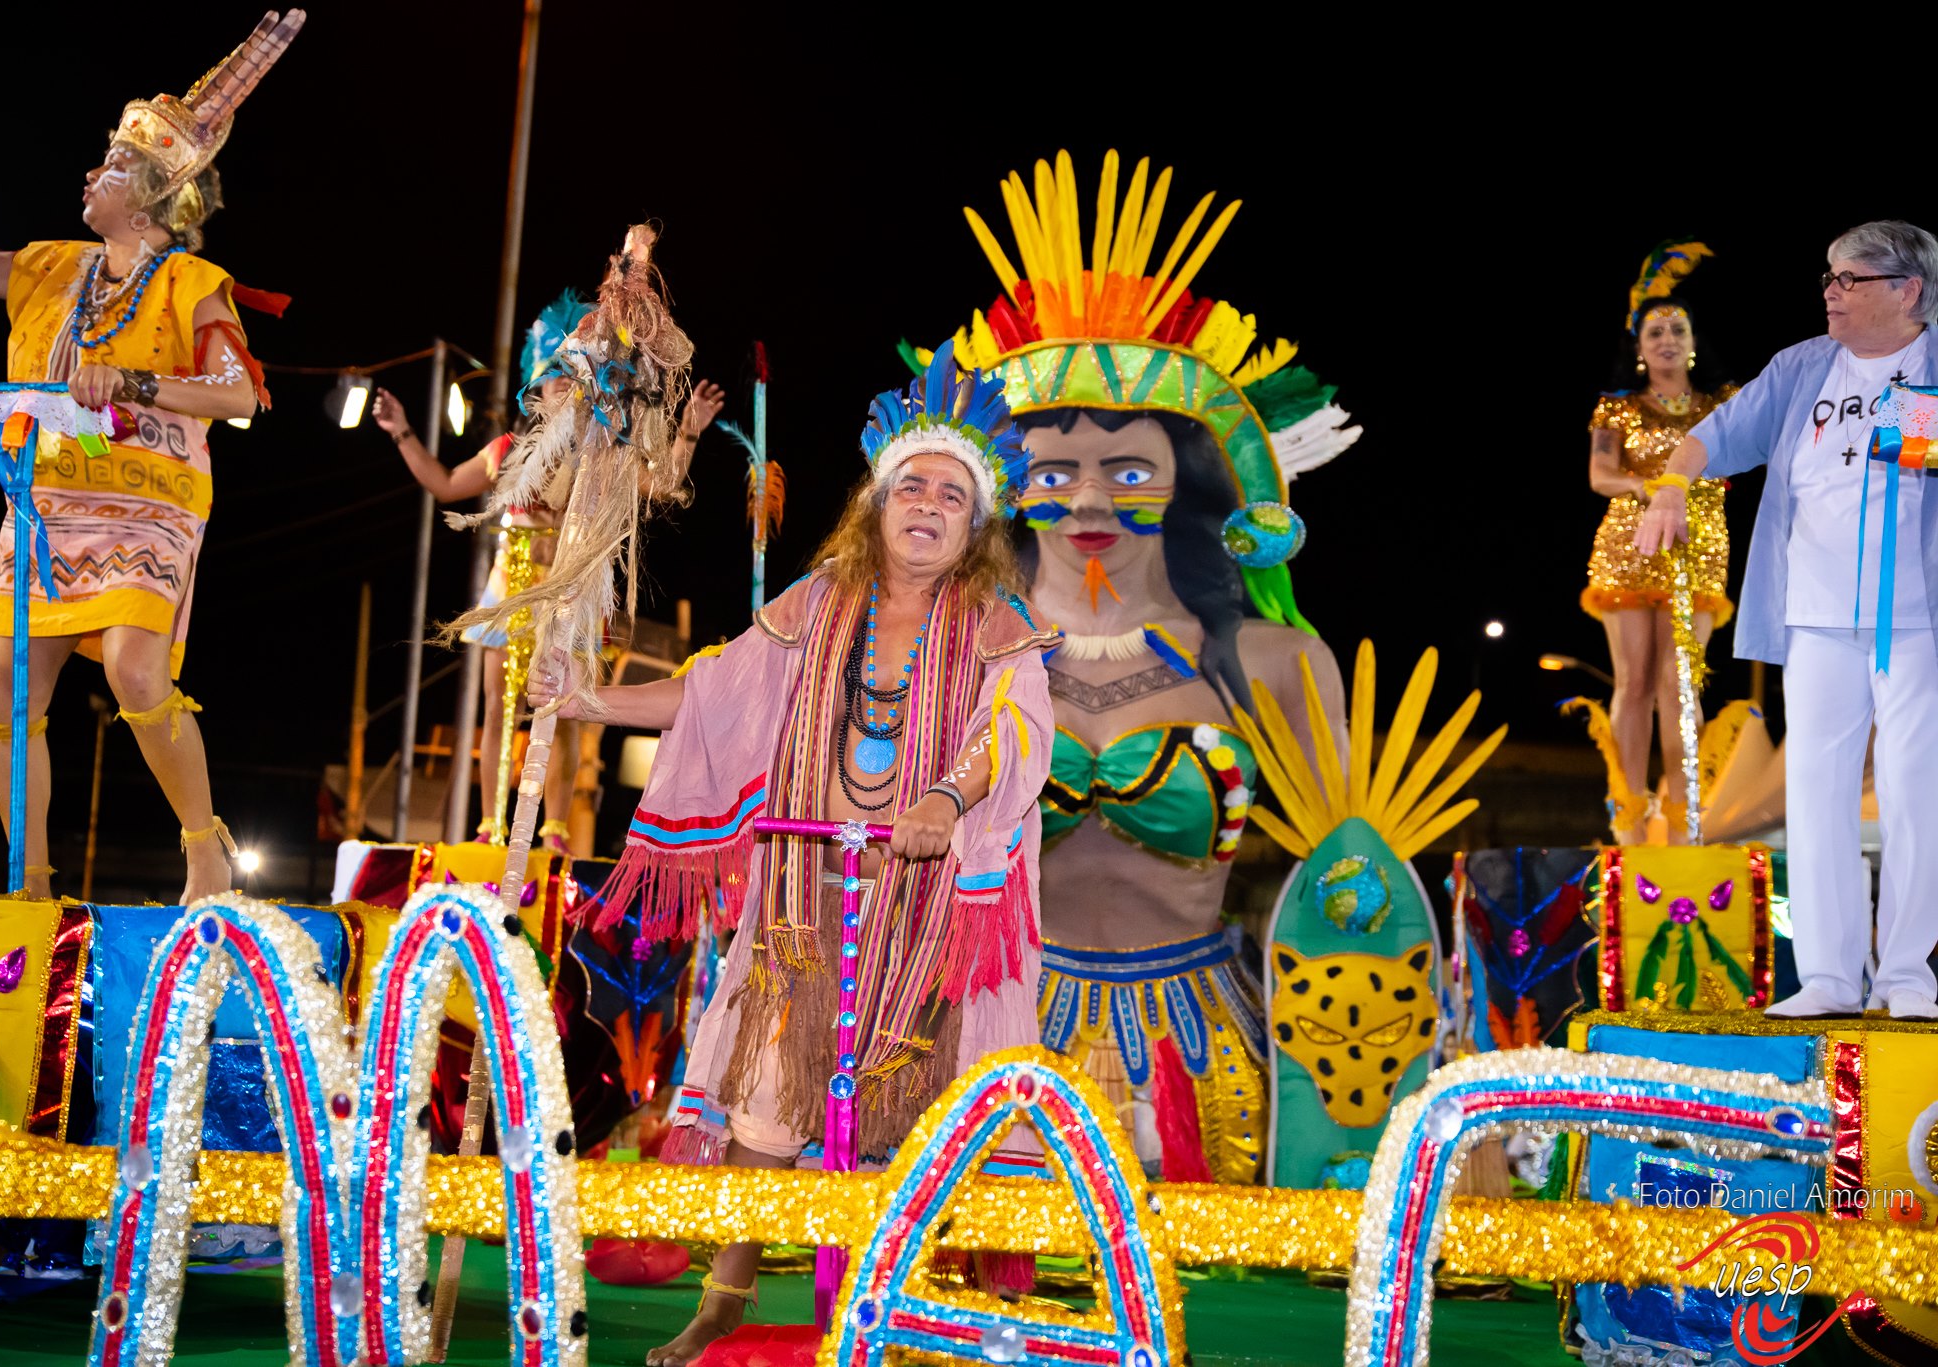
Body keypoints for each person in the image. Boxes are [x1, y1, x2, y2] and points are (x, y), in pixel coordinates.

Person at [531, 342, 1055, 1365]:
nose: (930, 504)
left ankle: (883, 1307)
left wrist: (949, 797)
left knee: (913, 1120)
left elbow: (1014, 728)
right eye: (912, 484)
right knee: (765, 1108)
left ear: (975, 525)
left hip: (929, 917)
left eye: (953, 495)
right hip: (807, 901)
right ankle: (722, 1305)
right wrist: (584, 697)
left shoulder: (999, 621)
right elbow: (712, 688)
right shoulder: (815, 602)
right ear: (875, 502)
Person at [935, 149, 1356, 1181]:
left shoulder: (1276, 663)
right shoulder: (952, 655)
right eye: (1054, 470)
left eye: (1127, 469)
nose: (1087, 503)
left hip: (1198, 1071)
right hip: (992, 1052)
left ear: (1189, 481)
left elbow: (1346, 893)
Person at [0, 11, 303, 900]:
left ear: (151, 197)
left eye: (110, 166)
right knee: (4, 685)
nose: (90, 172)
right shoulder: (49, 267)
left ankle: (203, 849)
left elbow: (238, 396)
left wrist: (135, 384)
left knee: (132, 665)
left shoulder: (195, 284)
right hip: (44, 503)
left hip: (151, 502)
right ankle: (31, 888)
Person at [1637, 220, 1938, 1020]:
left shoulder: (1936, 365)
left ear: (1906, 290)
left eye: (1850, 279)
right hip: (1813, 616)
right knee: (1814, 790)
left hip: (1918, 621)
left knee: (1914, 790)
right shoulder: (1802, 365)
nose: (1831, 293)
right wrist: (1671, 486)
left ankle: (1908, 976)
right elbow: (1715, 436)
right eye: (1829, 278)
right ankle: (1834, 976)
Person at [370, 302, 724, 845]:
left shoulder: (605, 451)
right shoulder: (507, 452)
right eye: (553, 379)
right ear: (536, 391)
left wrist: (689, 431)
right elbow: (443, 484)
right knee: (498, 709)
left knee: (568, 710)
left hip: (573, 597)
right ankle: (491, 825)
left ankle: (555, 831)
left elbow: (668, 484)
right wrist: (401, 432)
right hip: (511, 590)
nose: (562, 388)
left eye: (571, 379)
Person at [1584, 243, 1740, 840]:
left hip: (1698, 549)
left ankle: (1683, 811)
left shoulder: (1720, 405)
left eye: (1678, 328)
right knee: (1634, 681)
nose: (1668, 339)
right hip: (1630, 545)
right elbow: (1599, 477)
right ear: (1639, 346)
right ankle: (1628, 808)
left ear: (1695, 340)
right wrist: (1648, 487)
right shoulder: (1616, 409)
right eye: (1655, 331)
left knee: (1680, 682)